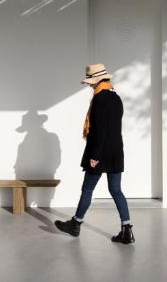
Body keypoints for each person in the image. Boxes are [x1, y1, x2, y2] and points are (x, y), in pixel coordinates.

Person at [54, 63, 134, 244]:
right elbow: (112, 129)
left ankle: (75, 224)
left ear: (97, 81)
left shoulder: (99, 99)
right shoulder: (116, 98)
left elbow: (99, 131)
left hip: (100, 153)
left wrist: (95, 156)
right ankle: (126, 230)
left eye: (91, 82)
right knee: (116, 190)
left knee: (87, 189)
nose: (90, 85)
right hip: (116, 152)